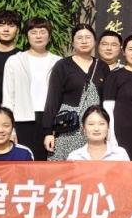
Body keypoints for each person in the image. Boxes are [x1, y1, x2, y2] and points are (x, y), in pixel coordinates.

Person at [42, 24, 111, 161]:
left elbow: (106, 101)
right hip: (68, 128)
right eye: (79, 38)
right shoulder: (62, 65)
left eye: (88, 37)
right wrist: (48, 132)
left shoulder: (102, 66)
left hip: (94, 127)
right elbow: (53, 99)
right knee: (65, 168)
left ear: (94, 41)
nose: (84, 41)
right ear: (73, 42)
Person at [1, 17, 61, 161]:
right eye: (33, 32)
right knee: (25, 162)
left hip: (51, 120)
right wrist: (10, 128)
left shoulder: (59, 62)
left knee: (51, 163)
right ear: (27, 36)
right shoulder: (15, 61)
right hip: (23, 119)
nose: (38, 36)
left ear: (49, 35)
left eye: (42, 32)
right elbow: (8, 97)